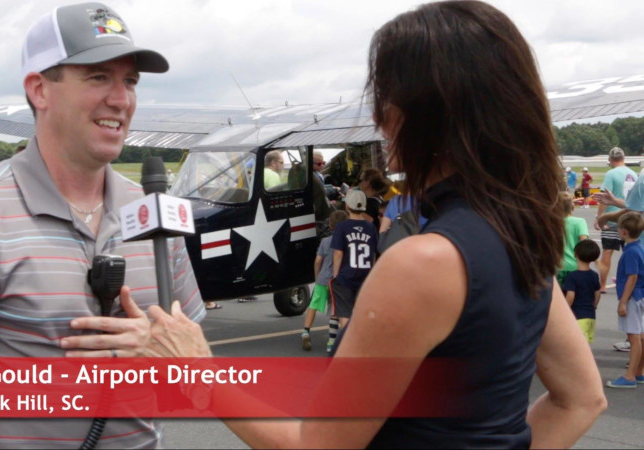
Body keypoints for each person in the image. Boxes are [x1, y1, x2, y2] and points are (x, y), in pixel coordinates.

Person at [143, 1, 606, 447]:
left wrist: (197, 371)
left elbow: (315, 446)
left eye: (386, 98)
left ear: (425, 111)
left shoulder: (423, 261)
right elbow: (583, 399)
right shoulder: (519, 236)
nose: (378, 118)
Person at [0, 3, 205, 448]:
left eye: (130, 81)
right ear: (40, 89)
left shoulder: (153, 212)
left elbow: (193, 379)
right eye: (98, 77)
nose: (121, 99)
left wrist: (164, 359)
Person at [330, 190, 377, 330]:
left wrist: (335, 274)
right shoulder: (371, 227)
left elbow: (338, 253)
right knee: (361, 311)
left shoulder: (341, 227)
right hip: (365, 275)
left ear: (347, 206)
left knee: (345, 312)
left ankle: (346, 342)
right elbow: (373, 253)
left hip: (345, 275)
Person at [606, 211, 644, 388]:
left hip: (633, 297)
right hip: (639, 295)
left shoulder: (631, 252)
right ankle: (639, 372)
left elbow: (632, 277)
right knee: (640, 335)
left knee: (634, 336)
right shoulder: (639, 248)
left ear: (623, 232)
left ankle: (629, 377)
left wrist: (623, 302)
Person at [301, 210, 348, 352]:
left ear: (330, 225)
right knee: (335, 310)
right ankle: (331, 341)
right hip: (336, 280)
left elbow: (318, 261)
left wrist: (317, 276)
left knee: (313, 306)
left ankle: (306, 331)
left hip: (322, 279)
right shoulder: (346, 243)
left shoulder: (325, 241)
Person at [595, 147, 637, 293]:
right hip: (631, 216)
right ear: (624, 158)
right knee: (631, 251)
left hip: (613, 218)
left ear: (611, 160)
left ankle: (602, 285)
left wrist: (599, 218)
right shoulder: (634, 174)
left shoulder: (611, 174)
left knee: (608, 251)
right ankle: (629, 281)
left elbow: (604, 198)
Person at [563, 239, 601, 343]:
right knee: (586, 344)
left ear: (576, 254)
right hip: (590, 316)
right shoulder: (594, 275)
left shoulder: (572, 276)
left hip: (577, 317)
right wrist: (594, 305)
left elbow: (570, 296)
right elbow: (597, 293)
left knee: (576, 344)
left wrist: (565, 309)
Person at [558, 192, 590, 286]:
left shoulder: (552, 222)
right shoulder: (579, 222)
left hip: (556, 266)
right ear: (572, 207)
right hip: (574, 266)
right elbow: (584, 242)